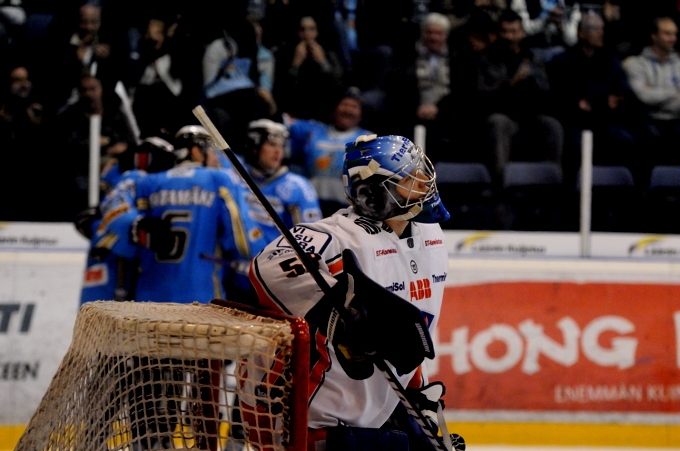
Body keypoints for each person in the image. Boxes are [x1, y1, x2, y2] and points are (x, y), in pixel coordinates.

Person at [247, 134, 454, 450]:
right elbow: (269, 266)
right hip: (306, 411)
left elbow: (410, 324)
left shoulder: (431, 236)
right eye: (411, 178)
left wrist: (416, 394)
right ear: (374, 193)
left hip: (366, 414)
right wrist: (339, 315)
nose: (425, 181)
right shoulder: (337, 235)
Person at [127, 124, 266, 304]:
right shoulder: (219, 179)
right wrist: (259, 258)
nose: (215, 158)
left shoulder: (148, 183)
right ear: (195, 151)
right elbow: (242, 239)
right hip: (201, 297)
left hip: (149, 298)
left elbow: (132, 234)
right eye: (210, 151)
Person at [76, 136, 177, 305]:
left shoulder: (133, 178)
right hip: (113, 271)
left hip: (115, 271)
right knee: (103, 324)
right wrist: (137, 227)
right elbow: (116, 208)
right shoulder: (135, 178)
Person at [548, 11, 637, 185]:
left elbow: (619, 93)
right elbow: (567, 97)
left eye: (602, 29)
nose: (601, 33)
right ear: (582, 33)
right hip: (574, 121)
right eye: (596, 29)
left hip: (605, 120)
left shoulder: (610, 60)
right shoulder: (563, 61)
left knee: (627, 141)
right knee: (576, 145)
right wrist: (600, 100)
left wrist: (596, 101)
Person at [477, 8, 564, 182]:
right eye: (505, 31)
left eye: (514, 32)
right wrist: (513, 82)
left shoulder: (532, 57)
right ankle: (501, 183)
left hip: (530, 115)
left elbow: (546, 92)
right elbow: (485, 97)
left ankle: (551, 182)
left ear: (522, 33)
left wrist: (533, 83)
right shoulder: (488, 58)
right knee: (498, 123)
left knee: (552, 126)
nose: (509, 37)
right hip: (504, 114)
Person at [288, 86, 372, 217]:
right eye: (345, 104)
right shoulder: (313, 131)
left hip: (347, 210)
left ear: (361, 113)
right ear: (334, 108)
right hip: (310, 206)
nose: (348, 110)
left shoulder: (367, 140)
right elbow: (288, 125)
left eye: (354, 106)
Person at [623, 16, 680, 178]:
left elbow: (653, 95)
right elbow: (645, 97)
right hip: (648, 119)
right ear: (654, 36)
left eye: (674, 34)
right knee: (650, 137)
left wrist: (657, 92)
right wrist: (675, 91)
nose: (673, 39)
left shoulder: (679, 64)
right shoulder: (636, 64)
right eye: (667, 34)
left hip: (676, 118)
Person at [273, 15, 344, 121]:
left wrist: (323, 63)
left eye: (311, 29)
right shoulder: (285, 54)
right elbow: (281, 88)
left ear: (317, 32)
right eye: (302, 29)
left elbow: (338, 83)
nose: (307, 34)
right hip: (295, 107)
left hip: (322, 108)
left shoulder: (329, 54)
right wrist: (295, 64)